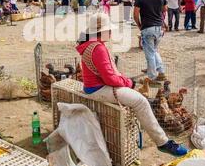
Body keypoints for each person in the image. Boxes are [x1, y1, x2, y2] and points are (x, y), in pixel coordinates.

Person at [76, 13, 188, 157]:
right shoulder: (98, 48)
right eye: (108, 30)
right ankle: (163, 142)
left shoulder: (91, 44)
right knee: (141, 101)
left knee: (137, 96)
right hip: (97, 89)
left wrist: (125, 81)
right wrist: (129, 82)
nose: (110, 32)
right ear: (101, 31)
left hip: (94, 86)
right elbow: (110, 78)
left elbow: (108, 73)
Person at [133, 0, 167, 86]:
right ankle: (161, 71)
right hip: (159, 27)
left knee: (150, 54)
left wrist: (139, 25)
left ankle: (152, 77)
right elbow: (164, 9)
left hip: (147, 27)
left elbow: (135, 14)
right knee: (154, 50)